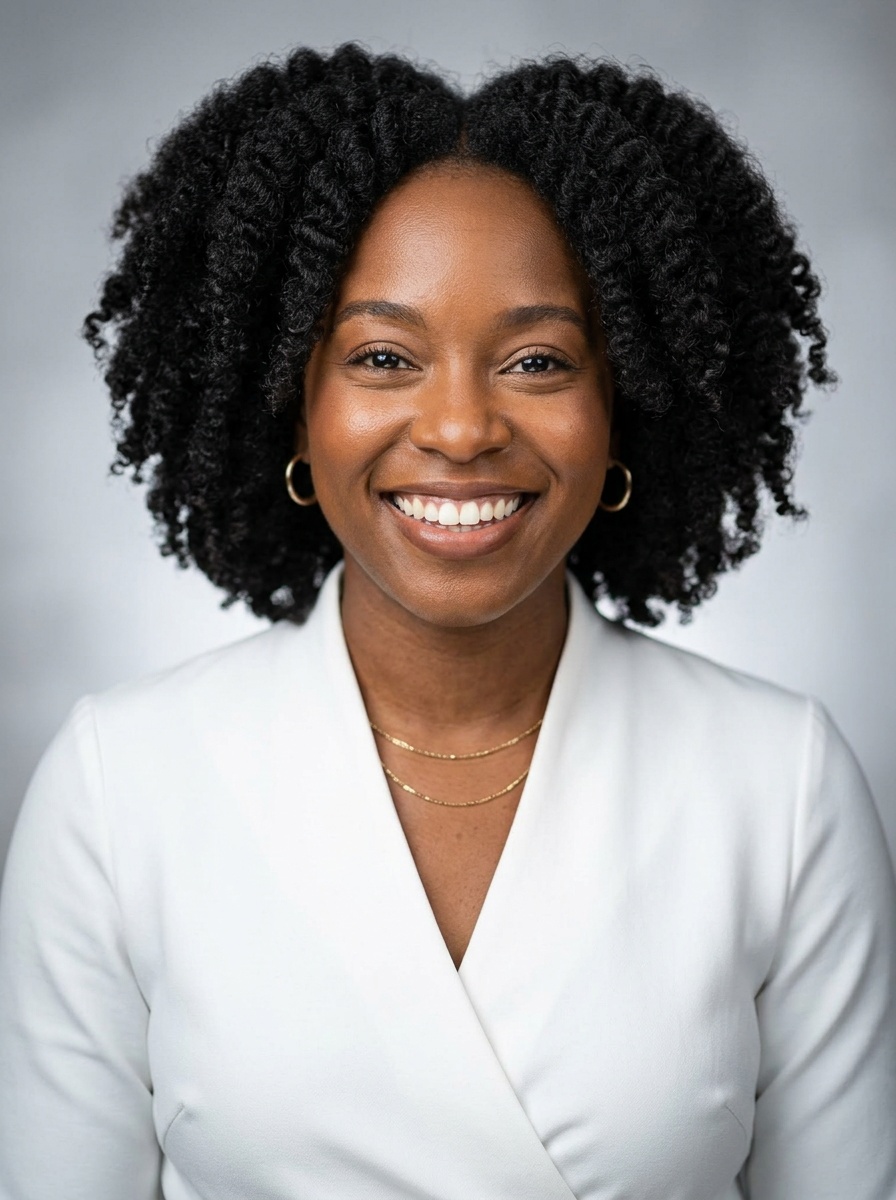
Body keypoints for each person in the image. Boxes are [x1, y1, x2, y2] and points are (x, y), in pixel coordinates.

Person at [0, 42, 893, 1200]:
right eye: (383, 357)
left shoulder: (779, 784)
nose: (462, 428)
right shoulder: (120, 785)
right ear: (291, 399)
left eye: (534, 359)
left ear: (618, 405)